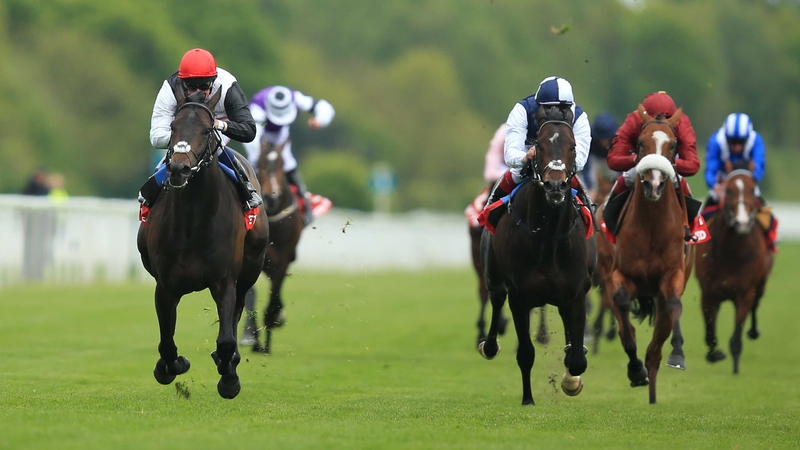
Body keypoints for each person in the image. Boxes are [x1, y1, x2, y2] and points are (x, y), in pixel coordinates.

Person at [138, 48, 261, 218]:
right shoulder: (170, 88)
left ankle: (247, 190)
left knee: (213, 147)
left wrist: (218, 125)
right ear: (182, 83)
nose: (198, 92)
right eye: (191, 87)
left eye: (204, 87)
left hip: (216, 125)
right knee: (175, 156)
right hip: (183, 129)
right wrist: (185, 139)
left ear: (213, 82)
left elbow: (249, 130)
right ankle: (148, 196)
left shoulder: (227, 86)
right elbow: (156, 137)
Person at [484, 76, 592, 209]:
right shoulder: (522, 110)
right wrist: (525, 157)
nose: (554, 112)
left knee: (587, 202)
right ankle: (487, 213)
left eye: (563, 108)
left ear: (570, 106)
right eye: (548, 108)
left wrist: (559, 161)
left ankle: (591, 217)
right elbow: (510, 153)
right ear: (538, 105)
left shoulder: (579, 117)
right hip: (527, 159)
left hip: (562, 165)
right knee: (501, 191)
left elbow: (580, 160)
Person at [604, 91, 701, 232]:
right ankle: (607, 224)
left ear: (672, 118)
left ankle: (693, 230)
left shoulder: (682, 123)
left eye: (667, 119)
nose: (659, 123)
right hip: (642, 165)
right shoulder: (633, 120)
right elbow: (613, 160)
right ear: (644, 116)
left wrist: (668, 163)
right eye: (652, 119)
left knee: (680, 182)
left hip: (668, 167)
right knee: (627, 178)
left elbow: (693, 165)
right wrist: (636, 159)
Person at [242, 85, 335, 225]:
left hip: (281, 135)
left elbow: (324, 107)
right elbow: (252, 138)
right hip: (257, 134)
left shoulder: (295, 97)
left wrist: (320, 120)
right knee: (255, 163)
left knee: (289, 163)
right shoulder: (258, 105)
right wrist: (259, 156)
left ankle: (305, 206)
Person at [703, 112, 777, 251]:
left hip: (748, 182)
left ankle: (770, 242)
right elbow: (710, 169)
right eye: (733, 141)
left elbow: (759, 166)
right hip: (723, 182)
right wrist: (714, 184)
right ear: (726, 137)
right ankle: (698, 242)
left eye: (741, 142)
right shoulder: (716, 141)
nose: (737, 146)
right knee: (703, 216)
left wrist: (753, 179)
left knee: (767, 216)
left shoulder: (756, 141)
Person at [583, 113, 619, 199]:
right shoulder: (590, 138)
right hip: (595, 158)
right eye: (601, 138)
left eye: (607, 138)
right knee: (586, 184)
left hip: (612, 157)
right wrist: (590, 187)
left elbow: (622, 166)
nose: (604, 142)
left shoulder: (619, 139)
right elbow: (586, 167)